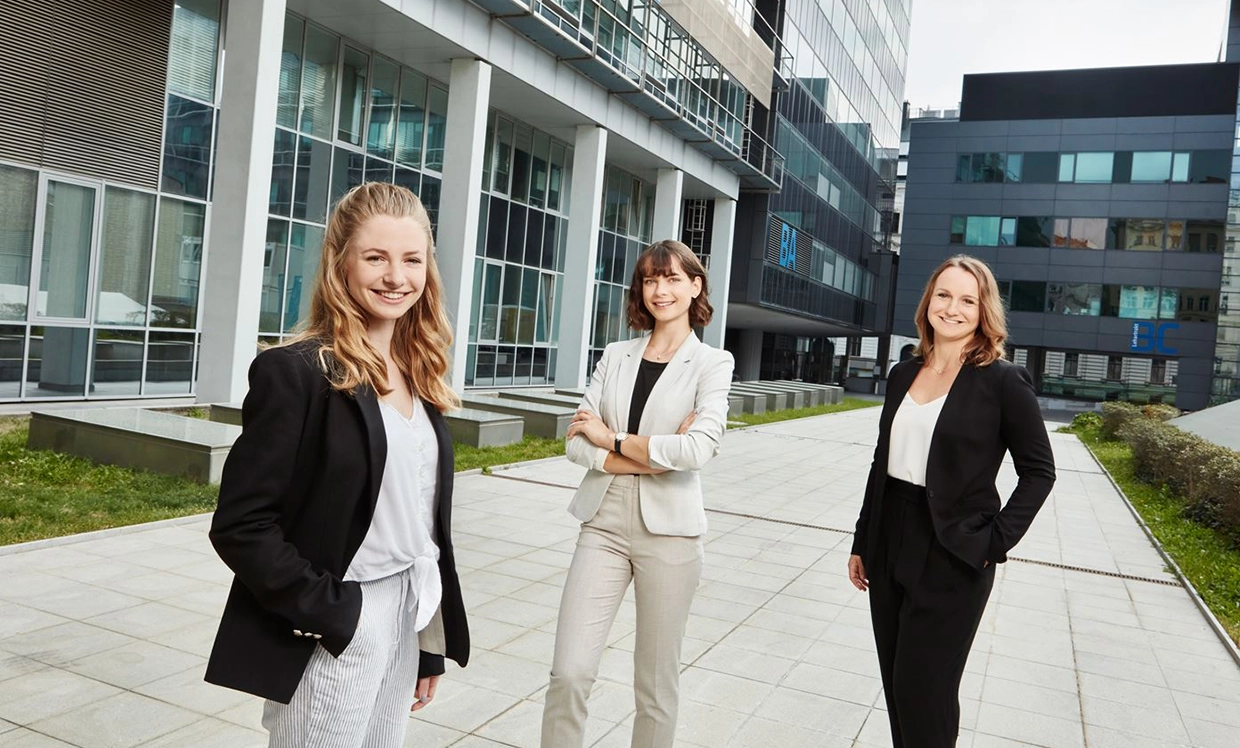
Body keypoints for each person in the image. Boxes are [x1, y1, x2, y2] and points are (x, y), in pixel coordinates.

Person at [205, 183, 469, 747]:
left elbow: (420, 523)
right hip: (337, 618)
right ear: (341, 262)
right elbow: (241, 526)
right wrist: (335, 614)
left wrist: (425, 638)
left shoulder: (419, 372)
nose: (396, 277)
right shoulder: (295, 372)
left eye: (412, 259)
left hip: (406, 609)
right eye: (376, 257)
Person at [847, 254, 1055, 748]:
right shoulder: (903, 373)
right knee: (898, 688)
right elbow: (882, 463)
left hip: (954, 552)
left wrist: (992, 543)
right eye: (944, 295)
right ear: (928, 302)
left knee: (926, 692)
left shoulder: (1003, 381)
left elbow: (1040, 472)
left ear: (984, 312)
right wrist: (862, 540)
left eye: (968, 299)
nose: (953, 308)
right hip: (890, 537)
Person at [541, 240, 735, 748]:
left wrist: (613, 438)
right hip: (602, 520)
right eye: (650, 280)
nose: (660, 290)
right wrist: (642, 455)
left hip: (669, 534)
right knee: (569, 672)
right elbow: (576, 440)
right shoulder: (615, 355)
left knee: (654, 685)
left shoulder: (713, 364)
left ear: (695, 286)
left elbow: (698, 448)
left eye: (672, 279)